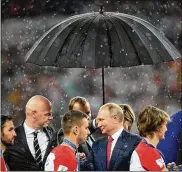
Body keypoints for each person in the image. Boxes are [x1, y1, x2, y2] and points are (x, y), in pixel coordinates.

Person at [81, 103, 141, 171]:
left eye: (101, 120)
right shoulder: (97, 145)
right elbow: (86, 169)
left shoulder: (135, 142)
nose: (98, 125)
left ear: (115, 118)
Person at [4, 95, 57, 171]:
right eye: (47, 114)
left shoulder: (52, 133)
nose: (51, 117)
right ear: (33, 114)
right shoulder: (12, 137)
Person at [130, 106, 170, 171]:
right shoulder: (146, 151)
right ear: (157, 127)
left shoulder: (144, 149)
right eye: (165, 125)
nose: (166, 129)